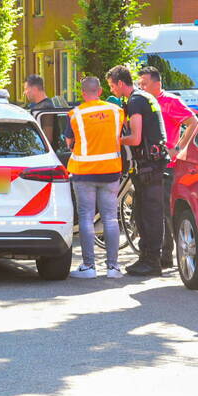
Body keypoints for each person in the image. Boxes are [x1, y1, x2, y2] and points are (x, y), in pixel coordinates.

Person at [106, 65, 169, 277]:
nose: (113, 90)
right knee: (145, 213)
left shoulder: (135, 101)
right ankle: (148, 258)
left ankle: (151, 261)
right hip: (153, 164)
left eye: (112, 86)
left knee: (148, 215)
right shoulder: (144, 98)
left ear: (120, 83)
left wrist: (114, 140)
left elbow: (135, 138)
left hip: (148, 166)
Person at [138, 65, 198, 267]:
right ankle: (161, 252)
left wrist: (179, 148)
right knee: (154, 209)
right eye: (140, 84)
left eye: (145, 84)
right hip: (151, 162)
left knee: (165, 209)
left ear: (158, 84)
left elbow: (193, 122)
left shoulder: (171, 101)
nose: (142, 87)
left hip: (168, 163)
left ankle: (168, 254)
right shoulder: (144, 102)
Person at [63, 77, 125, 279]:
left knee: (86, 218)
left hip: (84, 173)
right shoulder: (116, 112)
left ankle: (89, 267)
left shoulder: (75, 115)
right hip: (110, 171)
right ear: (99, 91)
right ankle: (113, 267)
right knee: (110, 217)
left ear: (83, 93)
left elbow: (69, 142)